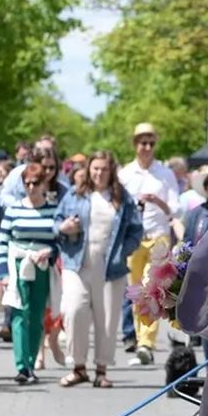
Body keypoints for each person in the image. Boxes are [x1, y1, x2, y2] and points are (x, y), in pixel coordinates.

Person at [56, 150, 143, 388]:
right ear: (88, 170)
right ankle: (78, 367)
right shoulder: (75, 195)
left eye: (104, 169)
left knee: (107, 319)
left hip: (110, 266)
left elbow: (137, 229)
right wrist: (63, 227)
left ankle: (101, 370)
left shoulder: (122, 197)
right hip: (77, 263)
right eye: (95, 168)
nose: (99, 173)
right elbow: (57, 222)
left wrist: (125, 250)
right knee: (75, 311)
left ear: (111, 171)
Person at [118, 122, 180, 366]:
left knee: (151, 289)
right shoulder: (125, 174)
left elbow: (176, 209)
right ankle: (140, 337)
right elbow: (119, 207)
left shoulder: (165, 174)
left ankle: (147, 343)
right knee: (136, 292)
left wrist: (157, 201)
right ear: (135, 145)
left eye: (151, 143)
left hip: (158, 237)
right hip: (133, 238)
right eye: (142, 143)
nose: (147, 147)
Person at [0, 161, 61, 385]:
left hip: (42, 266)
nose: (32, 187)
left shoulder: (53, 210)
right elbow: (3, 241)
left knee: (36, 315)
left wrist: (50, 251)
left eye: (36, 183)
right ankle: (21, 365)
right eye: (27, 183)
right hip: (18, 264)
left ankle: (32, 362)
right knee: (18, 313)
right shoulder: (14, 209)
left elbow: (60, 241)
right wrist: (2, 272)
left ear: (44, 183)